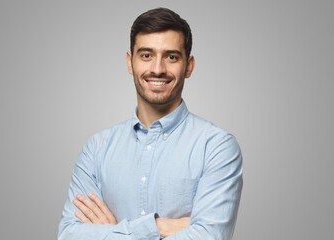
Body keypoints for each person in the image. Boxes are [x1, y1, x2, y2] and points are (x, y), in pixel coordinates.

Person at [58, 7, 243, 240]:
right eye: (146, 55)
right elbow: (69, 235)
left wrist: (112, 231)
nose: (157, 69)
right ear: (129, 62)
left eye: (171, 57)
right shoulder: (96, 149)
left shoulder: (217, 147)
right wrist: (158, 227)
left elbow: (209, 236)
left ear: (189, 66)